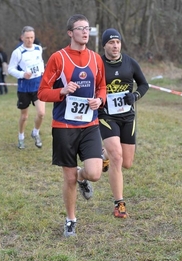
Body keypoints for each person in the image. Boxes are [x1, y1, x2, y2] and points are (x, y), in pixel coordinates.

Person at [38, 14, 107, 237]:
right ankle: (70, 220)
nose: (85, 32)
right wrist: (62, 91)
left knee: (95, 173)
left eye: (87, 28)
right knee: (67, 179)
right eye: (80, 28)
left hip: (90, 125)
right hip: (64, 127)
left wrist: (100, 100)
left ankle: (82, 177)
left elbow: (102, 88)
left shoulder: (96, 59)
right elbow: (42, 92)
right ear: (70, 33)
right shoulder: (58, 58)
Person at [98, 28, 149, 218]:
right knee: (117, 157)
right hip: (106, 115)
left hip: (127, 117)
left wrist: (135, 95)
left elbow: (144, 84)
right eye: (111, 42)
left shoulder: (130, 63)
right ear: (104, 45)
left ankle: (103, 154)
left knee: (126, 163)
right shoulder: (97, 63)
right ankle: (119, 204)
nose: (115, 45)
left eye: (118, 42)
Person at [8, 26, 45, 149]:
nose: (30, 40)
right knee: (24, 116)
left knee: (41, 113)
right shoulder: (17, 52)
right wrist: (22, 74)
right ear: (22, 37)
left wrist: (43, 72)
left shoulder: (38, 49)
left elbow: (40, 63)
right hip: (24, 87)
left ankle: (35, 132)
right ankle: (21, 137)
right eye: (27, 38)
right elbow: (10, 69)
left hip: (38, 86)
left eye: (32, 38)